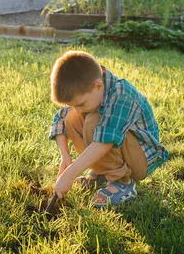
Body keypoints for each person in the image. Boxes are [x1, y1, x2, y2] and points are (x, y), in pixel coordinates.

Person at [49, 50, 168, 207]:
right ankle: (102, 174)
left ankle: (123, 183)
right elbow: (60, 120)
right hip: (117, 149)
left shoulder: (122, 95)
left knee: (93, 122)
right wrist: (65, 156)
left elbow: (104, 142)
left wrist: (69, 174)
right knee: (71, 118)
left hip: (141, 159)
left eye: (81, 104)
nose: (78, 109)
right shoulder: (91, 92)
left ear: (98, 86)